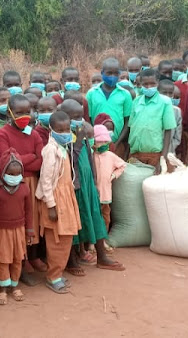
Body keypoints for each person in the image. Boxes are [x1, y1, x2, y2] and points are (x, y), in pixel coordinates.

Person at [63, 100, 124, 274]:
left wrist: (95, 182)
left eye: (80, 116)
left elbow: (89, 160)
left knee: (95, 216)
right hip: (74, 186)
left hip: (88, 184)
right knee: (75, 222)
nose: (79, 120)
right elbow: (72, 161)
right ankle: (72, 261)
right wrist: (79, 139)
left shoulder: (82, 133)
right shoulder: (64, 138)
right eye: (74, 117)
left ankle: (102, 257)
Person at [0, 95, 45, 285]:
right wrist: (30, 156)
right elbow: (5, 163)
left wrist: (21, 159)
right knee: (16, 225)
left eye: (27, 111)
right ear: (9, 113)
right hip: (12, 186)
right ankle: (19, 267)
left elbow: (41, 161)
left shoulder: (34, 133)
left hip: (32, 184)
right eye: (19, 112)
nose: (25, 116)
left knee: (31, 222)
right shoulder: (2, 134)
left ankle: (30, 259)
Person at [36, 111, 81, 294]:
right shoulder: (50, 150)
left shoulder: (63, 148)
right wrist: (51, 206)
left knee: (66, 237)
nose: (65, 133)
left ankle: (58, 272)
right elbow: (46, 181)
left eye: (67, 129)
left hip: (65, 198)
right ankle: (53, 276)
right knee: (56, 239)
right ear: (51, 129)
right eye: (60, 130)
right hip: (55, 200)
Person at [0, 148, 34, 305]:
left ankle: (15, 285)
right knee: (2, 260)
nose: (14, 177)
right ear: (3, 172)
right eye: (11, 174)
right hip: (1, 232)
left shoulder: (24, 188)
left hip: (19, 230)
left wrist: (29, 231)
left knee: (17, 259)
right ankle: (2, 289)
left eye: (17, 174)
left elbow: (29, 211)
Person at [118, 69, 176, 173]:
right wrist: (127, 153)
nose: (149, 87)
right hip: (135, 153)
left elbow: (168, 131)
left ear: (157, 83)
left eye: (152, 84)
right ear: (140, 84)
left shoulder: (165, 102)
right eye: (145, 84)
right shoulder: (136, 101)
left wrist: (162, 159)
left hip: (154, 154)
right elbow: (131, 128)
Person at [86, 58, 133, 147]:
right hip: (97, 143)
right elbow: (88, 119)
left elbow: (128, 122)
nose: (112, 76)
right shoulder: (91, 93)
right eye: (109, 73)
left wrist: (117, 143)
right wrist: (93, 140)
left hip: (117, 143)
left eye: (116, 73)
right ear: (102, 73)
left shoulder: (125, 94)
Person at [92, 125, 126, 231]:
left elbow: (122, 165)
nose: (102, 144)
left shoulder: (111, 156)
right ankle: (93, 243)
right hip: (93, 194)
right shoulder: (92, 156)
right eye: (99, 142)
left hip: (105, 194)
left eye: (104, 141)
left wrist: (114, 175)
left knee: (105, 217)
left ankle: (104, 238)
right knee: (94, 217)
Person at [158, 80, 183, 154]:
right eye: (164, 93)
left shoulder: (177, 111)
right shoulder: (152, 109)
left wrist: (171, 147)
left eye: (170, 93)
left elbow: (178, 135)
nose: (168, 96)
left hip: (169, 150)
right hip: (153, 150)